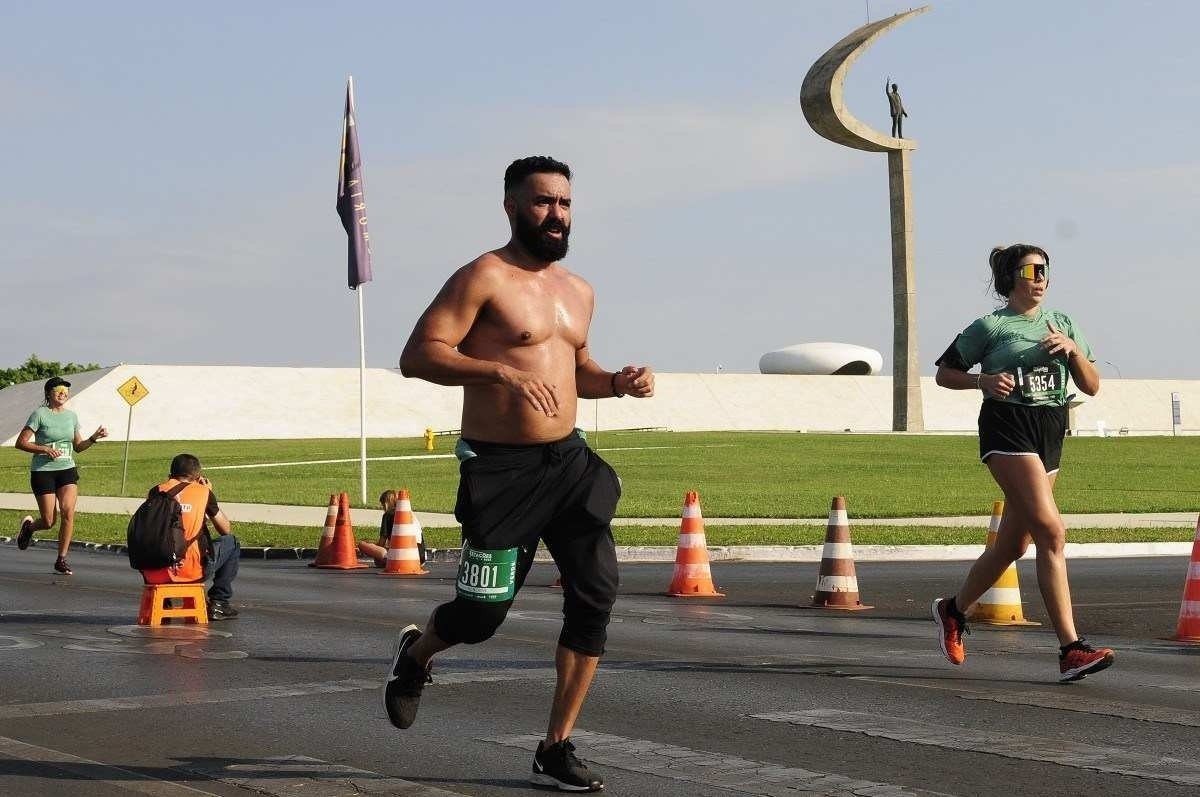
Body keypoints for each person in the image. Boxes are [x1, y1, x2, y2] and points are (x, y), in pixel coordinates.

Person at [385, 155, 654, 792]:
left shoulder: (578, 290)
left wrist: (616, 382)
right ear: (510, 206)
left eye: (563, 203)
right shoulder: (484, 277)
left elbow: (576, 368)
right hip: (501, 472)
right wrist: (498, 371)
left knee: (595, 596)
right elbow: (417, 355)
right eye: (541, 202)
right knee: (481, 618)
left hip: (568, 464)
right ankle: (416, 655)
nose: (555, 215)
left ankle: (556, 745)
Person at [931, 244, 1114, 682]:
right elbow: (944, 372)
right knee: (1052, 531)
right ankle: (1071, 649)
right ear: (1012, 277)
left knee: (1014, 546)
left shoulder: (1063, 322)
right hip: (1007, 427)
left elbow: (1092, 386)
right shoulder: (991, 327)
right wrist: (983, 380)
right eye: (1032, 269)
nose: (1041, 277)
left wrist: (1072, 351)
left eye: (1046, 270)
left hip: (1049, 428)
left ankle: (953, 611)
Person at [14, 376, 108, 575]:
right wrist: (44, 449)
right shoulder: (39, 414)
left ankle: (61, 559)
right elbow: (21, 443)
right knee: (49, 521)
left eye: (66, 392)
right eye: (59, 391)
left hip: (67, 469)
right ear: (49, 393)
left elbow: (79, 447)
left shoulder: (71, 416)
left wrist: (93, 438)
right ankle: (29, 528)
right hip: (43, 471)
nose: (63, 394)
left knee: (68, 512)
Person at [140, 454, 241, 621]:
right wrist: (208, 493)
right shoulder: (203, 493)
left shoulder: (156, 491)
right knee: (232, 542)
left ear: (170, 474)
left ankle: (166, 604)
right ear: (198, 476)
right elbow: (225, 529)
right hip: (190, 570)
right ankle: (219, 602)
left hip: (153, 571)